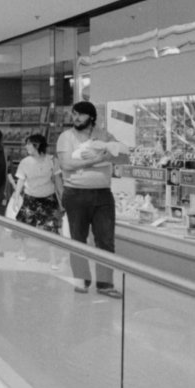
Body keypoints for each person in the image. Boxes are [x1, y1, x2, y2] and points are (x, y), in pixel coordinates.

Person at [56, 101, 129, 297]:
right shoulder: (66, 137)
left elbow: (124, 157)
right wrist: (98, 159)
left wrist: (105, 151)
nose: (76, 118)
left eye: (80, 115)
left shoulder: (104, 135)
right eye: (74, 114)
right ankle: (81, 280)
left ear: (91, 116)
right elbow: (67, 164)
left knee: (105, 240)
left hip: (103, 194)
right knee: (78, 240)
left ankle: (105, 284)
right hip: (75, 193)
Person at [12, 133, 64, 265]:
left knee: (51, 228)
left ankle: (53, 259)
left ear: (38, 145)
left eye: (30, 144)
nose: (27, 146)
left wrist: (63, 199)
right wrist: (17, 196)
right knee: (23, 226)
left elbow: (58, 181)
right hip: (30, 199)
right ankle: (22, 251)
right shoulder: (25, 162)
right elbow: (21, 180)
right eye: (27, 144)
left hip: (49, 199)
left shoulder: (52, 160)